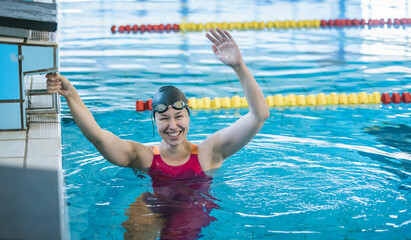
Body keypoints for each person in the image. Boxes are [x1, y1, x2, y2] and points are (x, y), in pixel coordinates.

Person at [47, 28, 269, 239]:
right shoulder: (143, 156)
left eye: (179, 116)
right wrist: (70, 94)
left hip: (191, 207)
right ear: (154, 120)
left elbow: (259, 115)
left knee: (180, 232)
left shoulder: (209, 152)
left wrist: (238, 66)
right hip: (153, 203)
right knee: (135, 225)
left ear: (189, 117)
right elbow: (98, 136)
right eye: (164, 118)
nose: (173, 126)